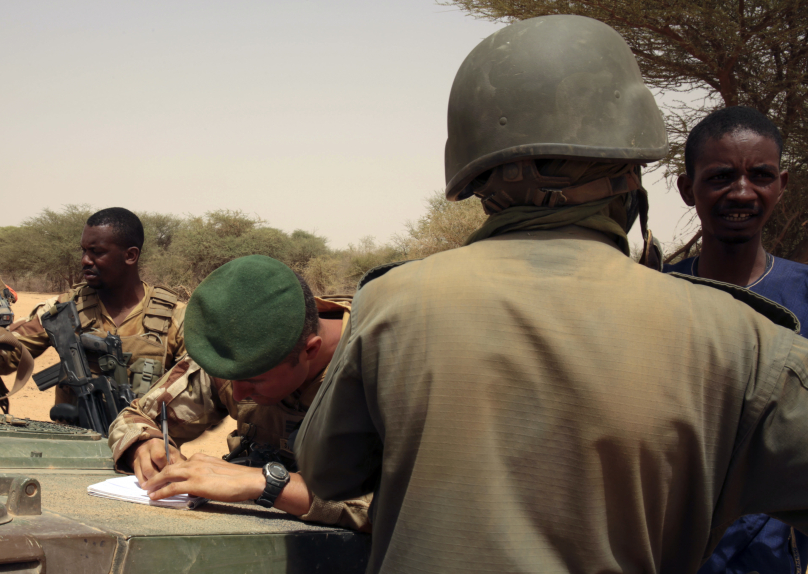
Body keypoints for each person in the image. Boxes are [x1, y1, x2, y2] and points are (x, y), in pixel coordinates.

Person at [296, 14, 808, 574]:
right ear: (631, 168)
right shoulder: (743, 341)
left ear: (478, 179)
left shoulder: (391, 302)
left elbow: (328, 471)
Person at [107, 255, 371, 532]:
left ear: (310, 351)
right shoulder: (236, 350)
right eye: (229, 379)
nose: (237, 394)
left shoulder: (383, 369)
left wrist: (267, 484)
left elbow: (402, 503)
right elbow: (137, 416)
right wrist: (144, 444)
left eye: (254, 381)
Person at [664, 106, 807, 574]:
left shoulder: (805, 293)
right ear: (689, 190)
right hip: (677, 546)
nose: (742, 192)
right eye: (722, 176)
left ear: (781, 186)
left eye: (761, 175)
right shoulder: (653, 298)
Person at [0, 207, 185, 406]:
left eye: (97, 252)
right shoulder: (63, 308)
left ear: (130, 255)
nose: (85, 260)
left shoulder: (175, 318)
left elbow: (196, 396)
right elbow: (7, 359)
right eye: (83, 251)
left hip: (146, 448)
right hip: (74, 442)